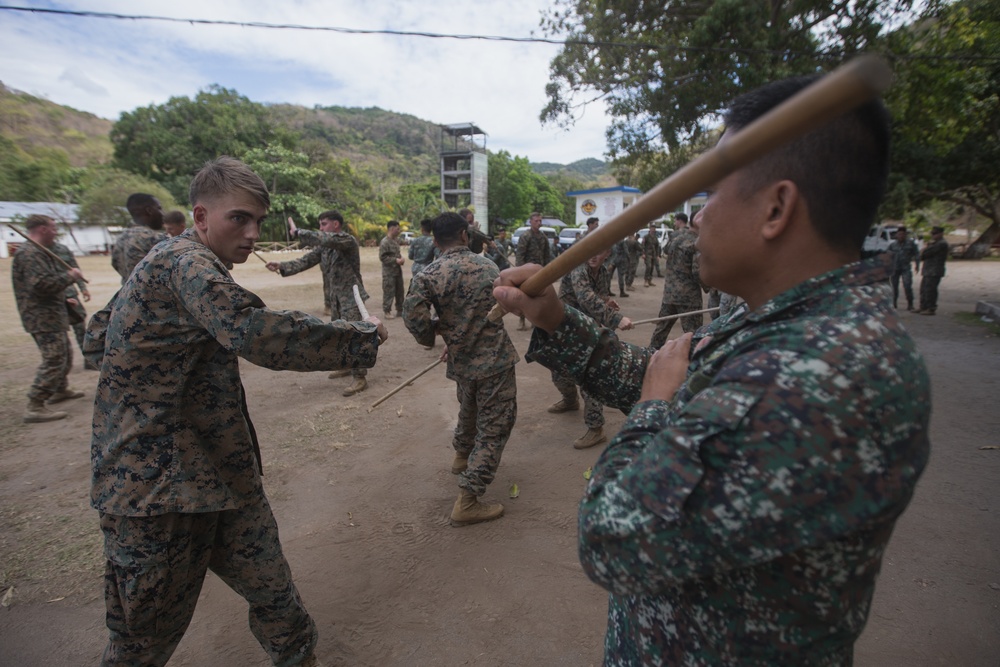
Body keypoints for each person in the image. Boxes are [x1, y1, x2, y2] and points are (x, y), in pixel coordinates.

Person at [493, 75, 929, 665]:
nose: (696, 221)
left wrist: (651, 414)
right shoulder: (778, 321)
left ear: (776, 208)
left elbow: (612, 540)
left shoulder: (815, 374)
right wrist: (554, 318)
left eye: (712, 195)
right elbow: (656, 373)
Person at [91, 156, 386, 667]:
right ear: (201, 217)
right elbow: (253, 331)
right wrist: (360, 336)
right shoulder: (184, 263)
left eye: (258, 221)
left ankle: (298, 657)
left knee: (272, 588)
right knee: (142, 642)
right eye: (239, 219)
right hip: (159, 492)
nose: (251, 233)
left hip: (218, 474)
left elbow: (99, 331)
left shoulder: (173, 262)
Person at [403, 212, 518, 527]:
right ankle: (468, 499)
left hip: (462, 359)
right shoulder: (489, 266)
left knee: (468, 408)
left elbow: (413, 316)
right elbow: (496, 309)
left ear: (436, 241)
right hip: (494, 359)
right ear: (466, 236)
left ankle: (461, 456)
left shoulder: (429, 274)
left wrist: (435, 334)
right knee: (495, 426)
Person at [266, 212, 372, 396]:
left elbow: (320, 237)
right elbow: (306, 260)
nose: (321, 228)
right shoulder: (326, 248)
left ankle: (360, 377)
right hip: (336, 298)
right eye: (320, 225)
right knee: (339, 333)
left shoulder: (347, 241)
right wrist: (282, 266)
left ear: (336, 224)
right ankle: (346, 365)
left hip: (351, 297)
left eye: (324, 224)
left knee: (355, 334)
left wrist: (298, 231)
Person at [547, 246, 634, 449]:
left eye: (599, 251)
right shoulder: (579, 267)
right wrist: (616, 319)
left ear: (607, 253)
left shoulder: (602, 271)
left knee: (588, 376)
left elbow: (596, 295)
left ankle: (596, 429)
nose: (593, 254)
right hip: (566, 324)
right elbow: (585, 296)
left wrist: (606, 302)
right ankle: (570, 400)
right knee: (558, 373)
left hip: (586, 327)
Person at [11, 214, 87, 423]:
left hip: (53, 313)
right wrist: (69, 277)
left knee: (64, 353)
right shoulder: (29, 253)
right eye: (53, 228)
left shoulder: (39, 251)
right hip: (41, 316)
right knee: (54, 358)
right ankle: (35, 404)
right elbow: (40, 286)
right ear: (42, 229)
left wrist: (66, 296)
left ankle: (59, 389)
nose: (55, 231)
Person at [650, 212, 704, 349]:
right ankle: (694, 365)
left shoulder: (676, 239)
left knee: (661, 331)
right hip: (689, 296)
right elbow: (697, 272)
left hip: (670, 294)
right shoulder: (696, 243)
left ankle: (650, 356)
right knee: (693, 334)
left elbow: (666, 250)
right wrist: (709, 286)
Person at [50, 237, 96, 370]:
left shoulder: (62, 249)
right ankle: (62, 364)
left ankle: (89, 360)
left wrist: (83, 289)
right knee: (59, 333)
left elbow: (75, 270)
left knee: (80, 328)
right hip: (53, 298)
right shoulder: (36, 252)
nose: (55, 231)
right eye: (52, 228)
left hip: (70, 294)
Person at [112, 193, 166, 282]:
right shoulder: (156, 238)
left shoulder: (121, 239)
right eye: (159, 208)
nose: (163, 213)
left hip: (127, 294)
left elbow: (115, 264)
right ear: (149, 211)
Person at [514, 212, 552, 331]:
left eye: (540, 221)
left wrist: (547, 271)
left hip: (539, 272)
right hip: (526, 272)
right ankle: (522, 320)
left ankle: (535, 321)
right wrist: (519, 271)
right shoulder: (525, 236)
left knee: (538, 296)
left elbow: (547, 255)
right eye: (536, 221)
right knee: (523, 295)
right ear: (530, 222)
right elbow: (520, 255)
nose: (539, 223)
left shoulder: (543, 237)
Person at [886, 226, 920, 311]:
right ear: (897, 235)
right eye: (899, 234)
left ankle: (910, 304)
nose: (901, 236)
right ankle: (893, 303)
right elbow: (887, 256)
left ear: (905, 235)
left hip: (906, 268)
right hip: (895, 268)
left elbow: (917, 254)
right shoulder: (892, 245)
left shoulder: (911, 243)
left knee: (907, 285)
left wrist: (917, 264)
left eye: (903, 234)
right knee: (894, 287)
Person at [917, 226, 948, 315]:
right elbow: (923, 255)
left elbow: (925, 253)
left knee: (931, 289)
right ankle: (923, 306)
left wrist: (925, 249)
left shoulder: (941, 244)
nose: (933, 235)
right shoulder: (934, 243)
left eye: (935, 233)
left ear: (941, 234)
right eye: (932, 233)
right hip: (928, 269)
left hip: (935, 270)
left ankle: (931, 308)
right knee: (924, 289)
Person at [379, 220, 406, 318]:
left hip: (397, 271)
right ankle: (387, 311)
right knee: (389, 291)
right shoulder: (385, 242)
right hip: (388, 272)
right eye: (397, 229)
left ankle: (400, 310)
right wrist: (395, 260)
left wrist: (401, 259)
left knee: (400, 291)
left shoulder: (395, 241)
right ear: (392, 228)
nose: (399, 231)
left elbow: (396, 254)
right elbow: (383, 257)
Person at [641, 222, 658, 287]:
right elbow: (642, 245)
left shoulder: (655, 237)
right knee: (648, 267)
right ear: (650, 229)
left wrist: (657, 255)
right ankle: (646, 280)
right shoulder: (646, 237)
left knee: (652, 267)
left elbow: (657, 246)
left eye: (654, 228)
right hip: (647, 254)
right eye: (652, 228)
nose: (653, 229)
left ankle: (649, 280)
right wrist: (643, 253)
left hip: (653, 254)